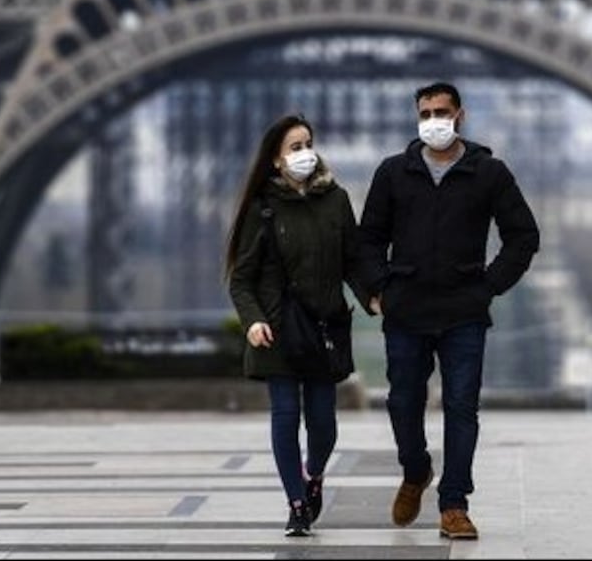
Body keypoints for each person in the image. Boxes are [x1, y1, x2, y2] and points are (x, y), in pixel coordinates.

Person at [358, 82, 540, 540]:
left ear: (460, 114)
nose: (433, 120)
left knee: (461, 408)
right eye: (425, 113)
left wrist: (489, 286)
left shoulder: (489, 172)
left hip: (463, 310)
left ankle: (454, 504)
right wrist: (379, 287)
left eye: (441, 111)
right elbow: (368, 239)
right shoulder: (393, 172)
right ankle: (416, 470)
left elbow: (524, 235)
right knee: (402, 403)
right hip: (407, 308)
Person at [226, 113, 371, 537]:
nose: (305, 153)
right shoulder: (262, 209)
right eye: (295, 146)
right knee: (285, 416)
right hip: (276, 329)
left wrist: (374, 297)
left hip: (323, 327)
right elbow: (241, 278)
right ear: (275, 159)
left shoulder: (336, 200)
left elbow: (353, 262)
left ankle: (313, 474)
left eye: (308, 143)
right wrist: (252, 321)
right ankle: (296, 504)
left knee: (323, 423)